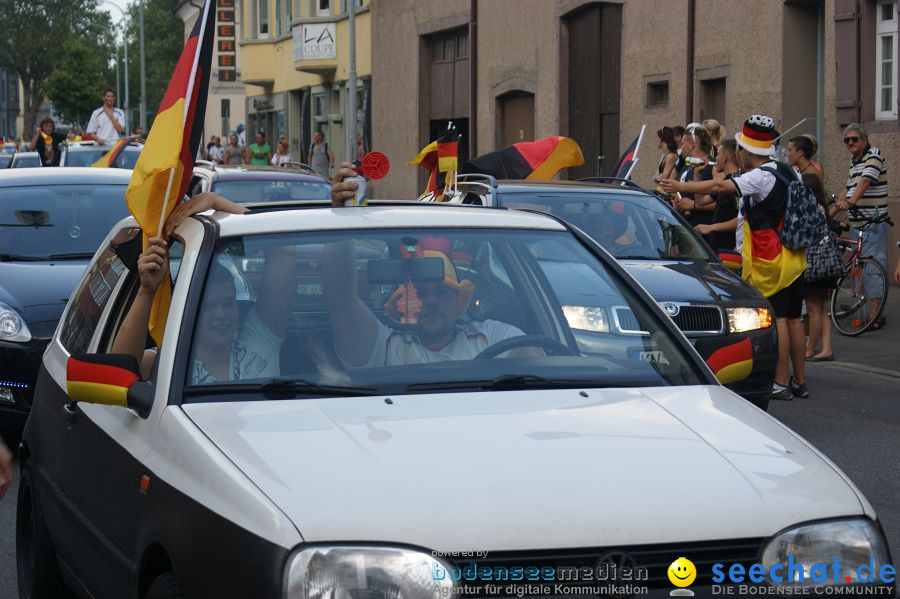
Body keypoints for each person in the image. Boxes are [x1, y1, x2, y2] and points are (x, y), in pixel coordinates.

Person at [326, 163, 538, 368]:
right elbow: (340, 299)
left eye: (442, 292)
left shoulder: (491, 337)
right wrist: (340, 218)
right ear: (403, 302)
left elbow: (533, 363)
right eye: (419, 293)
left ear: (458, 300)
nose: (431, 301)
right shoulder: (383, 345)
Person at [662, 114, 808, 400]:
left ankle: (779, 381)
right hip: (794, 256)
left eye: (740, 148)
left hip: (772, 260)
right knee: (794, 320)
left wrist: (679, 187)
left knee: (778, 319)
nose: (737, 152)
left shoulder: (760, 177)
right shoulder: (788, 171)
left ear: (746, 151)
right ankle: (799, 382)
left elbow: (719, 188)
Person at [111, 193, 295, 382]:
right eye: (210, 306)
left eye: (228, 303)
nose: (221, 314)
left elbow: (283, 249)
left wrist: (213, 200)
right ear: (189, 312)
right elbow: (119, 374)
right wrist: (147, 291)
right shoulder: (168, 361)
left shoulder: (260, 338)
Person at [835, 123, 889, 330]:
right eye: (847, 140)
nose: (850, 143)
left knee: (873, 267)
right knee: (860, 267)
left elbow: (865, 182)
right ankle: (869, 307)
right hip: (858, 224)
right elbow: (848, 188)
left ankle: (876, 314)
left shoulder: (873, 155)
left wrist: (850, 203)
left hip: (873, 223)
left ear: (865, 140)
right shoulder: (854, 161)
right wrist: (827, 214)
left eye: (854, 139)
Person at [801, 173, 839, 363]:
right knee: (822, 309)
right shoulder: (821, 207)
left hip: (814, 264)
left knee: (813, 309)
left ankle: (810, 348)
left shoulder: (809, 209)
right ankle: (826, 349)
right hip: (825, 263)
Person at [694, 139, 740, 252]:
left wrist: (711, 227)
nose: (716, 158)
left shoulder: (737, 183)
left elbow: (741, 219)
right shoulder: (725, 182)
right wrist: (697, 174)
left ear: (725, 156)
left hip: (729, 247)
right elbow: (701, 201)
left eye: (718, 153)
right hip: (717, 245)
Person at [674, 126, 715, 231]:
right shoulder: (686, 166)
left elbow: (723, 204)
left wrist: (693, 205)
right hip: (685, 230)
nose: (681, 147)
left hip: (703, 235)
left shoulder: (712, 166)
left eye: (683, 143)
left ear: (692, 145)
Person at [653, 126, 679, 195]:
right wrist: (657, 178)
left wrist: (657, 178)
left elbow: (664, 176)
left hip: (668, 193)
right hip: (661, 190)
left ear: (662, 139)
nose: (656, 140)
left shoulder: (671, 156)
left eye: (658, 138)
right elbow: (656, 177)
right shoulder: (664, 156)